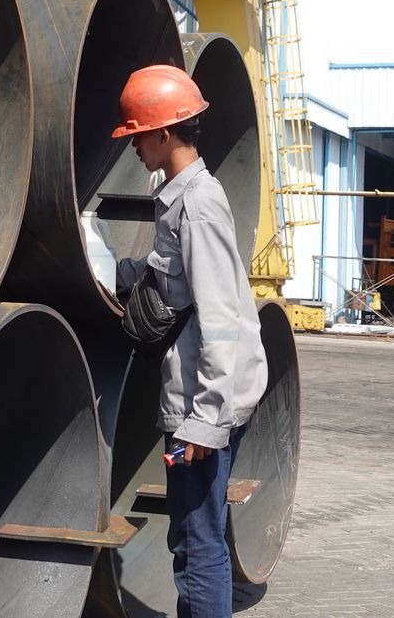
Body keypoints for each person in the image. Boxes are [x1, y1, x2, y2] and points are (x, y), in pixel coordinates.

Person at [112, 63, 266, 618]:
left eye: (136, 135)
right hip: (204, 402)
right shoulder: (180, 196)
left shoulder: (198, 205)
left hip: (205, 407)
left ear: (164, 132)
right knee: (195, 534)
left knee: (197, 541)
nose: (132, 146)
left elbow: (223, 315)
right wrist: (121, 272)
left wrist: (204, 422)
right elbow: (171, 273)